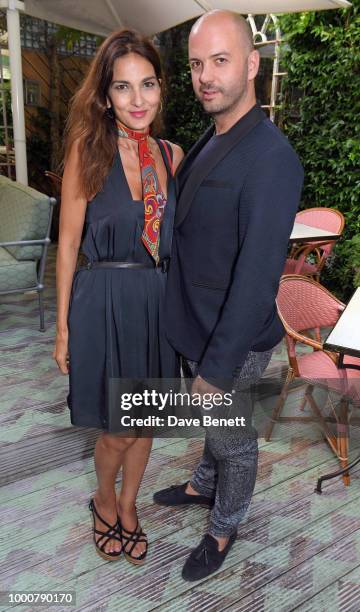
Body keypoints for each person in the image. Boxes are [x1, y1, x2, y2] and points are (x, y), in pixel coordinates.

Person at [154, 10, 304, 581]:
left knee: (233, 440)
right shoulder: (215, 135)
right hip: (197, 323)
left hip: (232, 342)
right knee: (215, 430)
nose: (206, 76)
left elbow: (258, 277)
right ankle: (202, 485)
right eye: (196, 64)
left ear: (252, 64)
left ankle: (224, 526)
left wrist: (215, 370)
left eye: (220, 61)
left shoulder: (270, 157)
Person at [53, 29, 183, 565]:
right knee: (116, 428)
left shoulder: (172, 156)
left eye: (147, 84)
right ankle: (104, 499)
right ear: (106, 96)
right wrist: (62, 329)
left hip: (156, 300)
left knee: (146, 419)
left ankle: (130, 505)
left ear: (160, 87)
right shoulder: (88, 150)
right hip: (103, 300)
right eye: (123, 88)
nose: (138, 99)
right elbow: (66, 243)